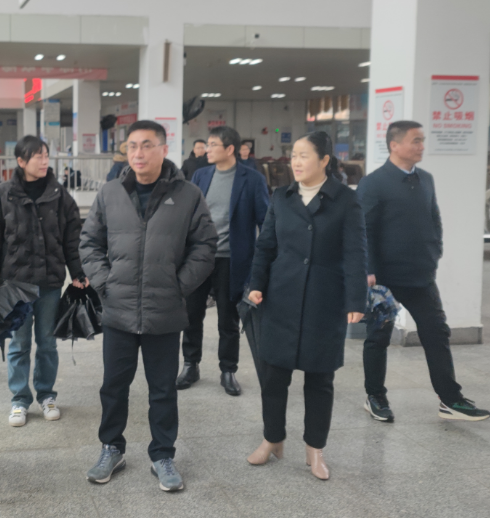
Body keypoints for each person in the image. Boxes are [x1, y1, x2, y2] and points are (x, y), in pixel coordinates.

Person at [80, 120, 217, 492]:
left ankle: (162, 454)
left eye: (146, 145)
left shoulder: (188, 195)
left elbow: (206, 246)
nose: (137, 153)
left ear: (163, 149)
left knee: (163, 389)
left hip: (164, 310)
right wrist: (105, 282)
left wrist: (178, 286)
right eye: (132, 146)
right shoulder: (110, 192)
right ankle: (112, 448)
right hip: (119, 310)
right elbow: (89, 242)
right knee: (113, 386)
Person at [246, 131, 367, 481]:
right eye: (294, 155)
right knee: (273, 376)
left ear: (324, 160)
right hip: (281, 296)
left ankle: (315, 450)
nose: (296, 162)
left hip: (324, 299)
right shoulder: (281, 197)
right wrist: (256, 285)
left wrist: (356, 298)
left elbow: (356, 252)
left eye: (304, 155)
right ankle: (272, 439)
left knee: (319, 379)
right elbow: (266, 246)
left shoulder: (346, 200)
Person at [357, 120, 489, 422]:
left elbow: (434, 218)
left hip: (420, 275)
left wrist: (435, 251)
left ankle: (450, 399)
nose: (421, 146)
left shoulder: (425, 179)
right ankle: (375, 396)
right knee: (378, 337)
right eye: (415, 140)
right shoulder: (374, 183)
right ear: (395, 145)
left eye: (422, 140)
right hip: (384, 278)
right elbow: (363, 230)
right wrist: (369, 270)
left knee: (436, 333)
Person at [0, 136, 87, 428]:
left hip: (50, 282)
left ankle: (47, 395)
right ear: (21, 161)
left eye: (46, 155)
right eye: (37, 156)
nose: (43, 161)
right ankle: (19, 399)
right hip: (15, 285)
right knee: (19, 344)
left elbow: (72, 239)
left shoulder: (59, 195)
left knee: (48, 343)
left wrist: (78, 273)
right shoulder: (2, 194)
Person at [177, 126, 269, 395]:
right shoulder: (201, 175)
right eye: (207, 144)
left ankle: (228, 370)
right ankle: (190, 365)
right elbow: (189, 214)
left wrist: (263, 261)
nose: (207, 149)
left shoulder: (252, 179)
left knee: (228, 319)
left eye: (213, 145)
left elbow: (265, 221)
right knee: (191, 314)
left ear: (230, 149)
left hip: (232, 259)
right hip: (199, 258)